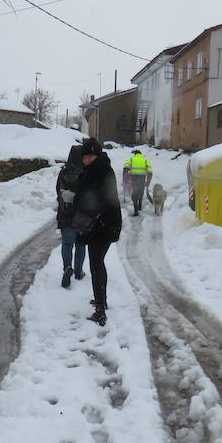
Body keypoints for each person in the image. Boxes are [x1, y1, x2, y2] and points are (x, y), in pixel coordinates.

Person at [74, 138, 122, 325]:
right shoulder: (97, 170)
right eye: (84, 157)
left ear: (97, 156)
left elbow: (98, 200)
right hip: (101, 225)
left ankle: (100, 310)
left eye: (90, 157)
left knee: (96, 265)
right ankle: (101, 300)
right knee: (98, 263)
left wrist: (80, 205)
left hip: (101, 226)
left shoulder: (100, 172)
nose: (86, 160)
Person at [55, 144, 86, 288]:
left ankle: (67, 267)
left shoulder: (64, 172)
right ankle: (78, 271)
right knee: (80, 244)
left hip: (65, 214)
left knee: (67, 244)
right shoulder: (85, 172)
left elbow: (58, 191)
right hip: (82, 215)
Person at [123, 149, 153, 216]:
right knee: (141, 192)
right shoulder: (145, 160)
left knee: (134, 195)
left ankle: (136, 212)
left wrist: (125, 179)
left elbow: (125, 168)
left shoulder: (131, 159)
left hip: (134, 179)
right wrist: (148, 182)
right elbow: (150, 172)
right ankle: (140, 206)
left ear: (135, 154)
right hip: (142, 179)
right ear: (140, 154)